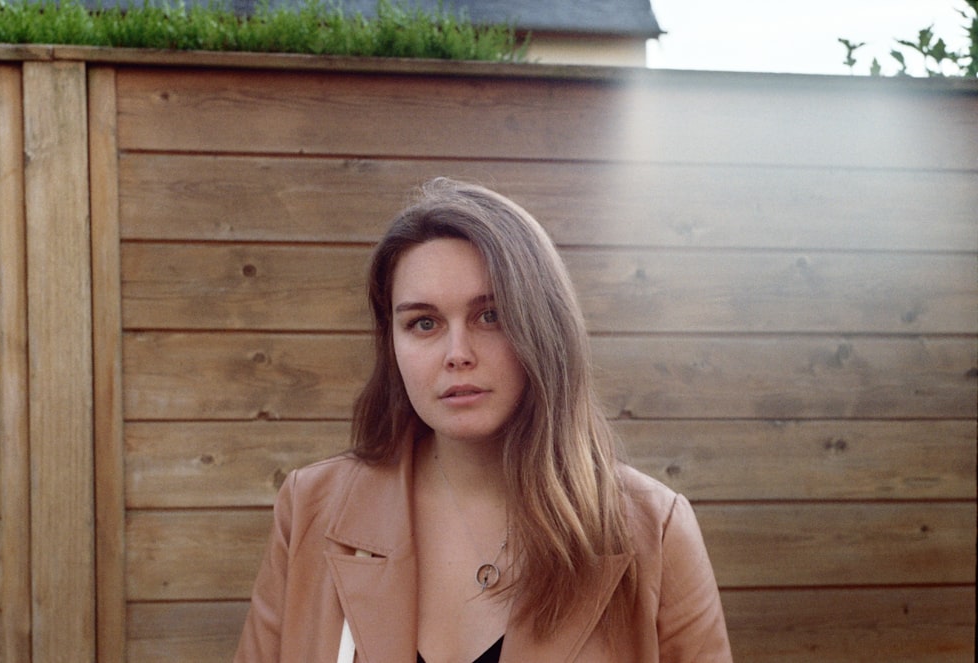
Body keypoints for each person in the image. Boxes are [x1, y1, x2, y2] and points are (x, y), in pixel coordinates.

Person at [234, 178, 732, 662]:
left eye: (489, 316)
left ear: (544, 327)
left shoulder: (654, 531)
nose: (457, 354)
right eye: (423, 323)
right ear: (393, 343)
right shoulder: (310, 509)